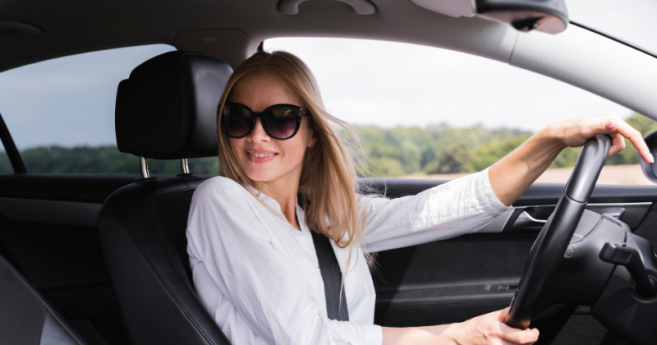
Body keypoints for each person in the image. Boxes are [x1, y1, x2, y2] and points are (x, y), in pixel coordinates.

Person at [185, 51, 653, 345]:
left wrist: (550, 140)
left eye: (281, 118)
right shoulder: (220, 201)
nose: (257, 135)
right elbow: (306, 338)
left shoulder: (325, 217)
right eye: (240, 118)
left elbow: (440, 209)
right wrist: (452, 336)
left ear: (311, 133)